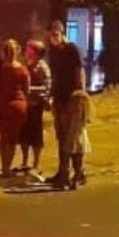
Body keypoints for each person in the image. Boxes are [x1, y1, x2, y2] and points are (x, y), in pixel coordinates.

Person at [46, 19, 84, 187]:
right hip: (59, 98)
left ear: (62, 33)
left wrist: (80, 94)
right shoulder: (54, 52)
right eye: (50, 36)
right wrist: (51, 95)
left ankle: (77, 172)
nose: (53, 38)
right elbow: (55, 76)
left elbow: (79, 71)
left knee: (73, 137)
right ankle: (63, 171)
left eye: (55, 34)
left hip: (72, 98)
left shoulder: (72, 49)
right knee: (61, 137)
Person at [0, 39, 30, 176]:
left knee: (3, 137)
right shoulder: (23, 69)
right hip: (18, 105)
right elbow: (27, 90)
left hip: (3, 105)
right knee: (12, 138)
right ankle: (7, 167)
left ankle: (4, 167)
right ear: (18, 51)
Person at [18, 40, 51, 176]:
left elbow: (47, 86)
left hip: (36, 105)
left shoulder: (42, 67)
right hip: (25, 103)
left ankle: (36, 163)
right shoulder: (26, 64)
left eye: (29, 49)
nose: (27, 51)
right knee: (23, 134)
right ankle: (24, 162)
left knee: (36, 134)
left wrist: (29, 89)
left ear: (36, 52)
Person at [61, 88, 92, 189]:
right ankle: (76, 177)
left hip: (77, 138)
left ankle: (76, 180)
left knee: (77, 162)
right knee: (75, 161)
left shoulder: (80, 115)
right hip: (74, 138)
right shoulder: (75, 114)